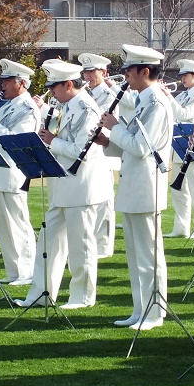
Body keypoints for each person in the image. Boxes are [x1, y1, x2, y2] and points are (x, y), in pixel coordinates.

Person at [17, 60, 113, 309]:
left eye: (55, 87)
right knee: (48, 243)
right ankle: (41, 293)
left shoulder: (86, 108)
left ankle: (82, 297)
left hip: (81, 187)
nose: (52, 92)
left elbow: (84, 150)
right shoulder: (68, 105)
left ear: (69, 84)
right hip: (63, 185)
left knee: (81, 245)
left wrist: (51, 142)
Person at [96, 44, 173, 331]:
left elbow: (142, 147)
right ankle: (140, 308)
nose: (125, 74)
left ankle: (155, 312)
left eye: (130, 69)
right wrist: (109, 142)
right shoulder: (143, 100)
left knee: (149, 254)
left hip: (146, 186)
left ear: (145, 71)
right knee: (135, 254)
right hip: (133, 183)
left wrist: (114, 127)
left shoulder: (156, 103)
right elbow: (131, 144)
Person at [0, 58, 39, 285]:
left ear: (21, 83)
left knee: (18, 225)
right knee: (3, 227)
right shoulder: (9, 105)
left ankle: (28, 272)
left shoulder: (28, 108)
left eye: (7, 80)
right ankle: (14, 272)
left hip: (14, 173)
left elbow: (19, 140)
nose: (2, 85)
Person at [163, 59, 194, 239]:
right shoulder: (182, 96)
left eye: (186, 75)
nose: (182, 78)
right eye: (181, 75)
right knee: (178, 191)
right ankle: (180, 228)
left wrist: (167, 96)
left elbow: (183, 114)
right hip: (178, 147)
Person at [78, 52, 119, 259]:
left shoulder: (110, 95)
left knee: (105, 200)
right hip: (89, 149)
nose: (88, 77)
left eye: (92, 72)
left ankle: (104, 246)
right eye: (85, 72)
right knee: (95, 197)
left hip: (104, 148)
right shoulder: (86, 93)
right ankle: (94, 241)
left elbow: (115, 121)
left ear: (103, 72)